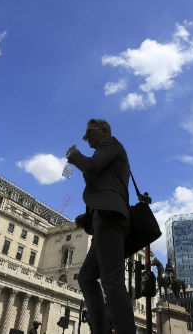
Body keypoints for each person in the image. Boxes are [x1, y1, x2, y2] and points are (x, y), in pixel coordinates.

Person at [66, 119, 135, 334]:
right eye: (85, 137)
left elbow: (91, 167)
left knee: (111, 280)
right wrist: (87, 219)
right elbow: (101, 183)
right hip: (101, 220)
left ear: (104, 130)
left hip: (109, 218)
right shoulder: (105, 151)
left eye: (90, 133)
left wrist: (74, 156)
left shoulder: (110, 143)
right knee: (87, 277)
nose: (88, 140)